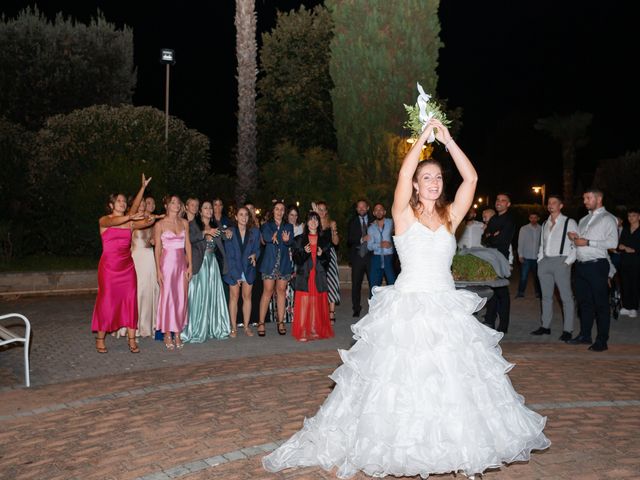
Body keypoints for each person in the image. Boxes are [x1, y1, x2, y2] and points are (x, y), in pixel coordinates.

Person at [263, 118, 549, 479]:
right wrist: (421, 141)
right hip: (409, 305)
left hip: (445, 304)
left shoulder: (450, 216)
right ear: (415, 184)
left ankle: (463, 451)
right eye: (427, 177)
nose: (434, 183)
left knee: (453, 381)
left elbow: (472, 180)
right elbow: (403, 173)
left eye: (439, 178)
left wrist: (447, 141)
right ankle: (403, 449)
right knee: (404, 382)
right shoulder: (401, 213)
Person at [92, 174, 153, 354]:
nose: (122, 203)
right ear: (111, 205)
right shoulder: (105, 221)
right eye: (119, 201)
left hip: (127, 268)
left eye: (124, 201)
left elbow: (133, 213)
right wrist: (131, 217)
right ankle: (100, 338)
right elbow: (118, 220)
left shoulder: (129, 224)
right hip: (109, 268)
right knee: (107, 301)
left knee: (129, 301)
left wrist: (142, 188)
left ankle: (132, 339)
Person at [567, 188, 619, 351]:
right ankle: (585, 335)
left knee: (601, 304)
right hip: (581, 266)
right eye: (584, 198)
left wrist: (588, 242)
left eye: (588, 198)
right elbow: (580, 243)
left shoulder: (608, 218)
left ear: (599, 199)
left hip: (597, 265)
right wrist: (574, 238)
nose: (585, 201)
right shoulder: (583, 219)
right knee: (584, 303)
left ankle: (602, 340)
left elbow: (613, 243)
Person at [181, 201, 231, 343]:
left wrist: (228, 232)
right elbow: (189, 239)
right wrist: (205, 232)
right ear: (200, 212)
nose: (209, 210)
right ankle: (195, 329)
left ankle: (214, 328)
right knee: (198, 297)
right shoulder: (193, 225)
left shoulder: (216, 226)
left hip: (212, 264)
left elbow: (225, 235)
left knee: (213, 297)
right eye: (206, 208)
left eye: (210, 208)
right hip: (199, 264)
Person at [532, 195, 577, 340]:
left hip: (561, 261)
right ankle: (545, 326)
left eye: (554, 203)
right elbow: (542, 244)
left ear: (561, 206)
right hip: (545, 262)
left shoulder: (569, 222)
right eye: (549, 203)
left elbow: (577, 244)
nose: (550, 205)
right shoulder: (545, 223)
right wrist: (540, 259)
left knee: (566, 297)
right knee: (545, 297)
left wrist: (567, 262)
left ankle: (568, 330)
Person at [154, 195, 192, 350]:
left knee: (181, 298)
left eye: (178, 202)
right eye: (173, 202)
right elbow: (157, 248)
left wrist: (190, 265)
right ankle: (167, 333)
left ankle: (178, 332)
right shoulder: (160, 224)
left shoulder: (184, 223)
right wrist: (158, 270)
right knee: (168, 298)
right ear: (167, 206)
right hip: (167, 265)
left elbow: (187, 244)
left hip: (182, 265)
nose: (176, 204)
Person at [291, 211, 334, 342]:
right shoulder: (299, 239)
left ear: (318, 222)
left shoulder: (324, 240)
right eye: (311, 219)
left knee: (317, 301)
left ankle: (315, 329)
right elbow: (296, 260)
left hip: (319, 275)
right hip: (305, 275)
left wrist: (321, 255)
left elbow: (328, 261)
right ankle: (303, 330)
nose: (313, 222)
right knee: (304, 302)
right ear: (306, 222)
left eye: (316, 219)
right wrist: (304, 252)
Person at [223, 206, 262, 337]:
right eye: (241, 214)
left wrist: (255, 255)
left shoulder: (255, 232)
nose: (244, 217)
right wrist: (235, 275)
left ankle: (246, 326)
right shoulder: (230, 232)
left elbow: (258, 248)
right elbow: (229, 255)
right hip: (234, 268)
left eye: (246, 215)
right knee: (234, 297)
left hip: (248, 268)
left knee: (247, 297)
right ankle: (233, 327)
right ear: (236, 217)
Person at [258, 201, 294, 335]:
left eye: (282, 209)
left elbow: (291, 241)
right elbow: (267, 238)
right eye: (277, 209)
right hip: (269, 263)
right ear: (273, 211)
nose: (279, 211)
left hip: (283, 263)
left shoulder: (288, 226)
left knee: (281, 291)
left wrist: (286, 240)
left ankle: (281, 322)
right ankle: (261, 323)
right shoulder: (267, 225)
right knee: (267, 292)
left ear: (284, 212)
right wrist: (274, 236)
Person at [482, 193, 516, 333]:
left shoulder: (509, 220)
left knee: (502, 291)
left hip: (501, 259)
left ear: (508, 204)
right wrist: (491, 236)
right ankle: (489, 320)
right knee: (492, 290)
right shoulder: (494, 219)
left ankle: (503, 325)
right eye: (497, 200)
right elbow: (485, 239)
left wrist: (492, 236)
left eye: (503, 200)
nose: (499, 202)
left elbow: (502, 240)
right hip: (490, 258)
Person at [131, 198, 162, 338]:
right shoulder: (132, 220)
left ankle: (151, 324)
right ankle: (134, 326)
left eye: (148, 204)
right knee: (138, 291)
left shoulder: (153, 222)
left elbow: (157, 240)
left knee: (152, 290)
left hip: (150, 259)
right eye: (143, 203)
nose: (145, 206)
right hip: (137, 259)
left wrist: (154, 241)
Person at [315, 201, 341, 323]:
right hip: (316, 255)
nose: (321, 211)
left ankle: (331, 312)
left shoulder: (331, 223)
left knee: (331, 283)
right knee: (318, 283)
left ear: (326, 211)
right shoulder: (313, 223)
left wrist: (334, 231)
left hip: (329, 254)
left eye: (323, 209)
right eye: (319, 209)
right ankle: (320, 311)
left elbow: (336, 242)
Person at [347, 199, 373, 317]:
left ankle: (374, 307)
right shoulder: (352, 222)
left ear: (367, 208)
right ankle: (356, 308)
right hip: (357, 256)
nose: (361, 209)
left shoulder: (374, 221)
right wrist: (361, 239)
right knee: (356, 284)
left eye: (364, 207)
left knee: (373, 284)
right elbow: (349, 240)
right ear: (356, 209)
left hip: (371, 256)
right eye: (359, 207)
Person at [366, 202, 396, 295]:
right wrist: (380, 244)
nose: (379, 212)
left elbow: (399, 237)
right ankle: (373, 308)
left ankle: (394, 308)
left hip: (389, 258)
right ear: (374, 213)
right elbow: (369, 246)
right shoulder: (371, 228)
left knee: (393, 285)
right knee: (374, 287)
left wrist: (391, 244)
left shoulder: (392, 223)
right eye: (376, 210)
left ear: (384, 212)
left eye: (380, 209)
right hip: (376, 258)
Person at [618, 207, 640, 318]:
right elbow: (620, 243)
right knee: (625, 284)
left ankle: (634, 308)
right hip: (625, 260)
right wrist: (621, 246)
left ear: (639, 217)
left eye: (633, 215)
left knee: (634, 284)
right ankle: (626, 306)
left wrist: (634, 250)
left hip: (636, 261)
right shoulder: (626, 229)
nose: (631, 218)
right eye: (629, 216)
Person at [516, 213, 542, 298]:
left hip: (537, 257)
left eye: (535, 217)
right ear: (529, 218)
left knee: (538, 277)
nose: (533, 219)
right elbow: (520, 242)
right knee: (523, 277)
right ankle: (520, 293)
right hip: (526, 257)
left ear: (538, 218)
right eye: (531, 218)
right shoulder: (524, 229)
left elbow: (543, 243)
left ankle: (538, 293)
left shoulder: (541, 228)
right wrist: (520, 255)